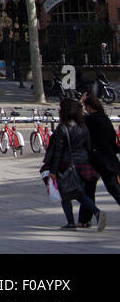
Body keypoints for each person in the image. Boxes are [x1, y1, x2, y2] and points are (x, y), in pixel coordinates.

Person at [41, 97, 105, 230]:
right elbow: (88, 146)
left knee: (65, 193)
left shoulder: (63, 128)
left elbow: (58, 151)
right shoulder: (83, 127)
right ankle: (96, 212)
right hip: (82, 164)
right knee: (78, 192)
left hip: (66, 164)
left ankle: (73, 222)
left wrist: (53, 171)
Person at [82, 91, 120, 211]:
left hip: (96, 159)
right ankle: (84, 219)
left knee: (89, 189)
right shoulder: (105, 118)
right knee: (113, 187)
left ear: (88, 107)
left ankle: (84, 220)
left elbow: (72, 115)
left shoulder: (91, 119)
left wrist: (79, 102)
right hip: (109, 158)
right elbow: (113, 140)